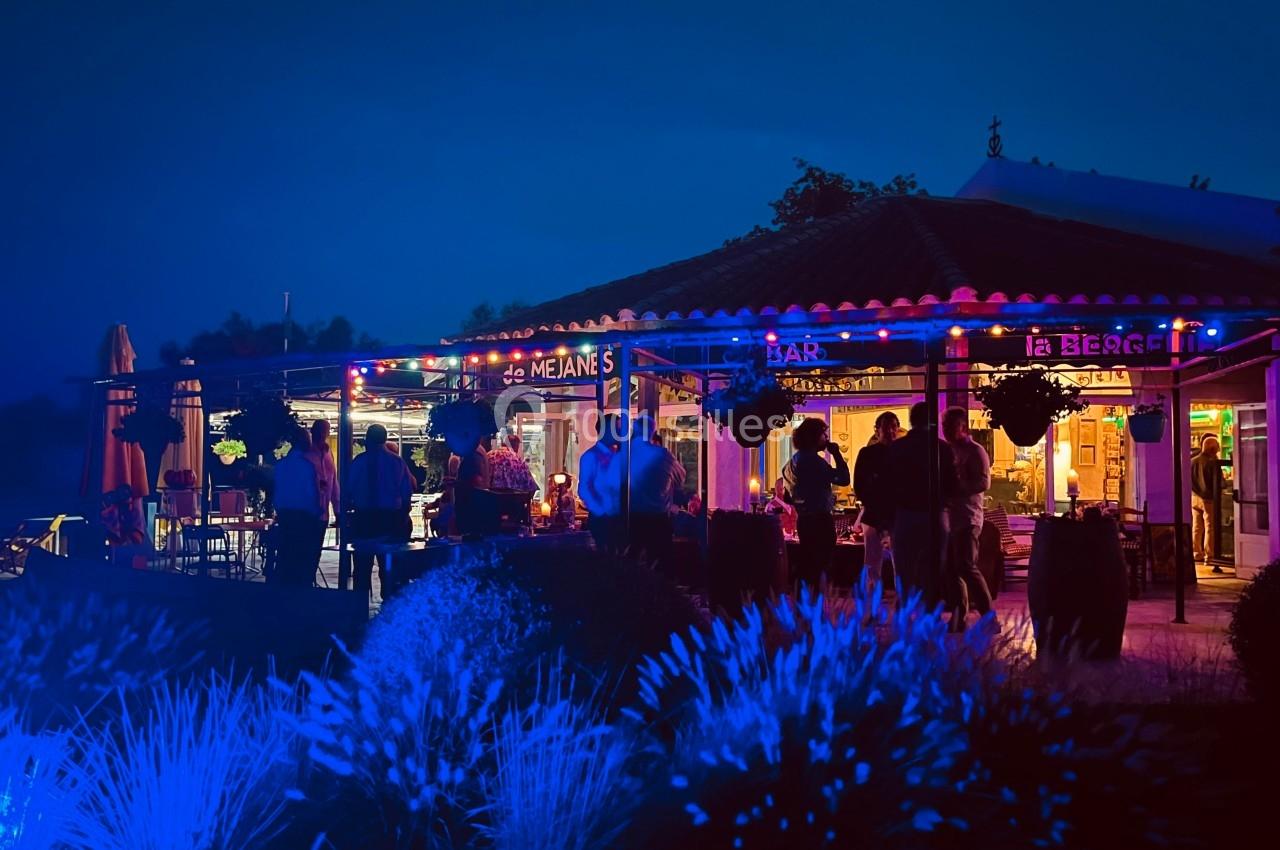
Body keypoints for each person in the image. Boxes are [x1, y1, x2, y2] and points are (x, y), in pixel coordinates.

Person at [888, 402, 959, 607]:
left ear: (911, 421)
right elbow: (953, 484)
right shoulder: (942, 448)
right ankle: (929, 613)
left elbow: (888, 483)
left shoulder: (898, 448)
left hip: (905, 514)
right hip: (935, 514)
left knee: (905, 570)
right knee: (933, 570)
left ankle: (905, 614)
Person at [346, 424, 415, 598]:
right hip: (390, 519)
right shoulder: (397, 462)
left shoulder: (359, 462)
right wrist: (402, 516)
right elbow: (407, 492)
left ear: (367, 440)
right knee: (389, 566)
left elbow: (348, 490)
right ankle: (389, 602)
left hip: (364, 519)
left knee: (362, 567)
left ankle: (360, 603)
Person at [782, 417, 850, 588]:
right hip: (819, 521)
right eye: (824, 434)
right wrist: (836, 454)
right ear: (814, 437)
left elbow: (787, 497)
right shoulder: (814, 461)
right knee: (821, 566)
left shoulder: (791, 463)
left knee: (807, 565)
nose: (826, 438)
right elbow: (843, 478)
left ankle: (804, 599)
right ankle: (817, 600)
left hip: (804, 520)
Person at [942, 406, 993, 631]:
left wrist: (956, 488)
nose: (946, 430)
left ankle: (988, 617)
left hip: (968, 517)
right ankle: (959, 616)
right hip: (951, 518)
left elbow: (983, 482)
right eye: (944, 426)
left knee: (966, 566)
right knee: (953, 569)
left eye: (950, 426)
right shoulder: (948, 451)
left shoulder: (975, 451)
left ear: (963, 426)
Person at [621, 413, 686, 574]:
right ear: (653, 432)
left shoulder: (624, 454)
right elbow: (680, 478)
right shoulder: (663, 455)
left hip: (630, 518)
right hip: (658, 518)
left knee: (630, 567)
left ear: (634, 430)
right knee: (662, 567)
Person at [274, 426, 323, 587]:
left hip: (284, 516)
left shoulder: (281, 465)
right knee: (302, 561)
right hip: (303, 518)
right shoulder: (307, 467)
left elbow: (278, 492)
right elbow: (311, 495)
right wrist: (317, 512)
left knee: (286, 559)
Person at [853, 411, 900, 575]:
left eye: (893, 427)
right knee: (875, 563)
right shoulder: (868, 453)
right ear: (877, 430)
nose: (890, 431)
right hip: (880, 515)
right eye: (886, 427)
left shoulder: (871, 453)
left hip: (885, 515)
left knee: (891, 564)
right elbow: (859, 486)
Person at [579, 413, 624, 551]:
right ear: (606, 430)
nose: (620, 432)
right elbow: (584, 489)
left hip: (619, 518)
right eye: (617, 428)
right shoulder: (591, 456)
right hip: (602, 520)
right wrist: (601, 512)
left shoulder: (620, 456)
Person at [304, 419, 340, 575]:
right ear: (313, 431)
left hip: (323, 513)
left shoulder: (328, 453)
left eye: (326, 430)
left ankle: (310, 577)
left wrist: (337, 509)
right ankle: (304, 580)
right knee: (306, 550)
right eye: (320, 430)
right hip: (307, 511)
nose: (323, 434)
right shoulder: (305, 453)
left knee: (316, 550)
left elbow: (333, 482)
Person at [1191, 434, 1226, 571]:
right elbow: (1220, 483)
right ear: (1212, 449)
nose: (1218, 450)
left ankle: (1196, 553)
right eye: (1217, 448)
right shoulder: (1213, 463)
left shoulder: (1193, 461)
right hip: (1208, 499)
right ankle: (1210, 556)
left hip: (1194, 497)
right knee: (1210, 527)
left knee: (1197, 527)